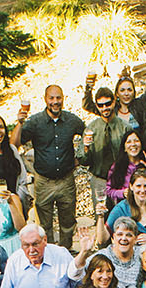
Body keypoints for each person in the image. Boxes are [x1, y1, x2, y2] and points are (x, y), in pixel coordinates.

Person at [14, 86, 86, 248]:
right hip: (43, 181)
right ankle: (48, 253)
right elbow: (16, 143)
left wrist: (80, 158)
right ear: (45, 99)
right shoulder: (35, 122)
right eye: (51, 98)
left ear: (63, 98)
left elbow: (88, 135)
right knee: (44, 225)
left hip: (66, 180)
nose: (55, 102)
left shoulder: (72, 121)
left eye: (58, 98)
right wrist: (19, 123)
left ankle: (66, 252)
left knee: (68, 222)